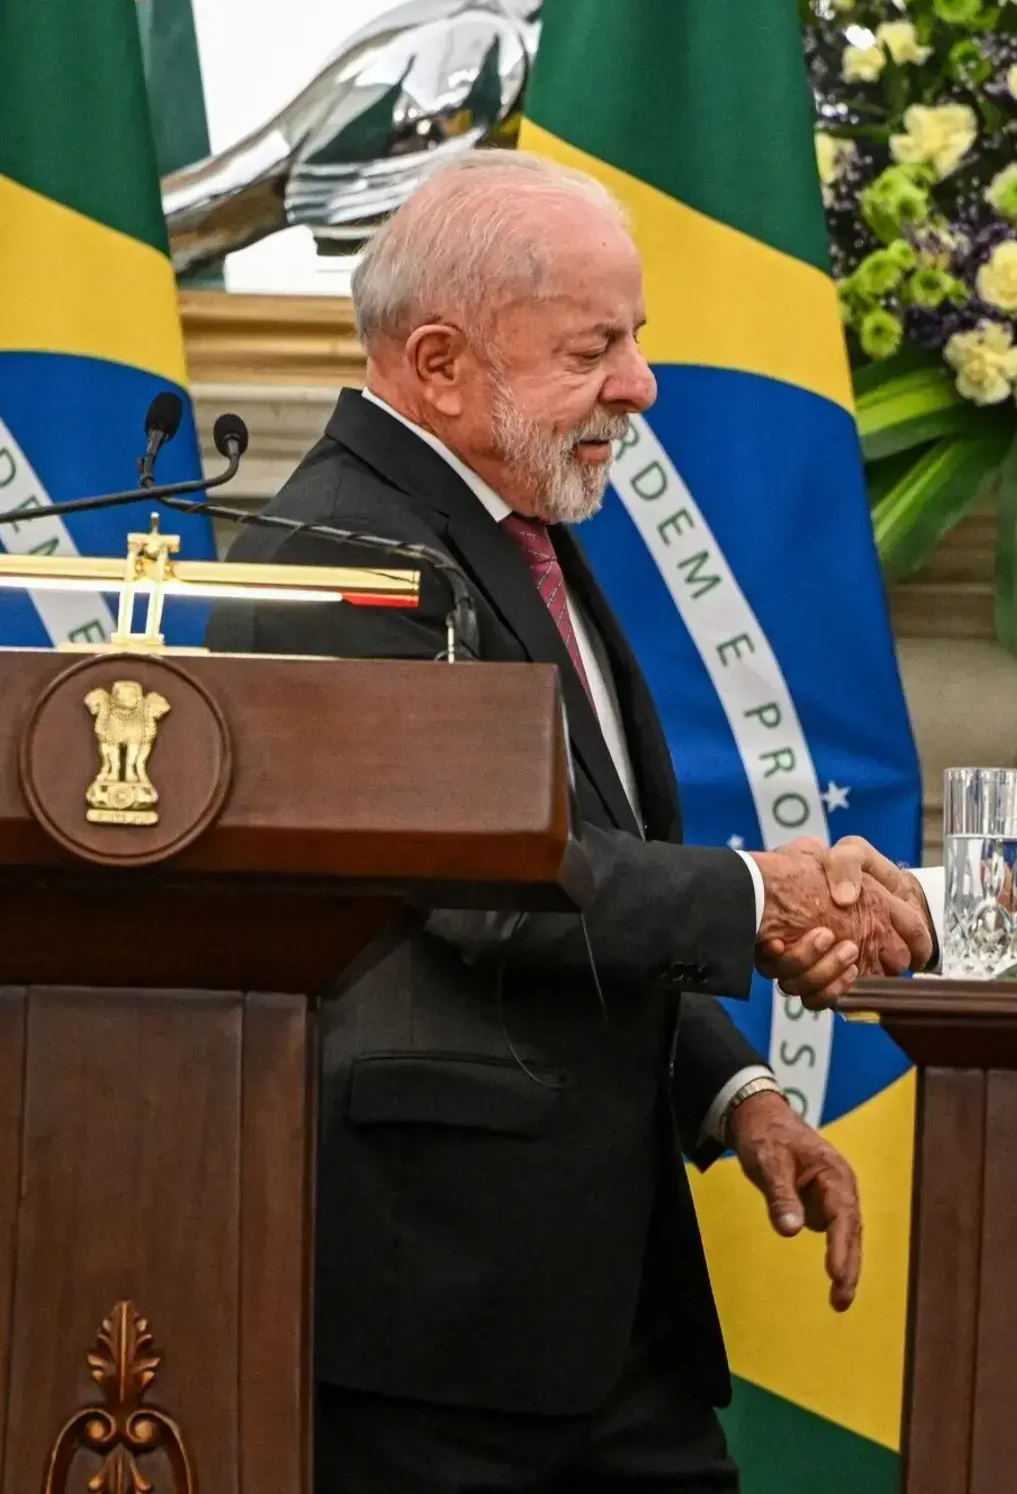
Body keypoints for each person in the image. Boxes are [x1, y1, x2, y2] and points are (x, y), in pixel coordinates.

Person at [207, 150, 931, 1494]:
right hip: (443, 1343)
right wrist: (764, 902)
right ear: (439, 363)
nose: (641, 386)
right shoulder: (342, 558)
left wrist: (739, 1092)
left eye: (636, 338)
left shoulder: (513, 517)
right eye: (597, 347)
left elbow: (582, 860)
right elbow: (478, 885)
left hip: (595, 1328)